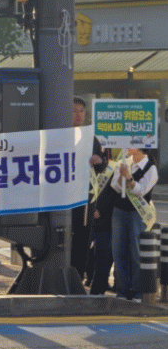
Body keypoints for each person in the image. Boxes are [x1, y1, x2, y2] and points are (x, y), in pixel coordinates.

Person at [109, 147, 157, 301]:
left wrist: (129, 178)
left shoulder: (150, 167)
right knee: (118, 252)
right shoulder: (124, 163)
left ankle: (136, 291)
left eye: (132, 142)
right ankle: (122, 290)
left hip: (137, 214)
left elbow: (141, 191)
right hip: (119, 211)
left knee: (136, 252)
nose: (128, 145)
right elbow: (115, 187)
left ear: (142, 147)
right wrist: (120, 178)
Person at [70, 96, 109, 281]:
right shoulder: (59, 134)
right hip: (63, 195)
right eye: (74, 111)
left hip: (86, 196)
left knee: (83, 236)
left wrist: (99, 160)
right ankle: (63, 270)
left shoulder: (90, 137)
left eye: (81, 111)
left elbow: (103, 164)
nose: (79, 115)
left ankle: (77, 274)